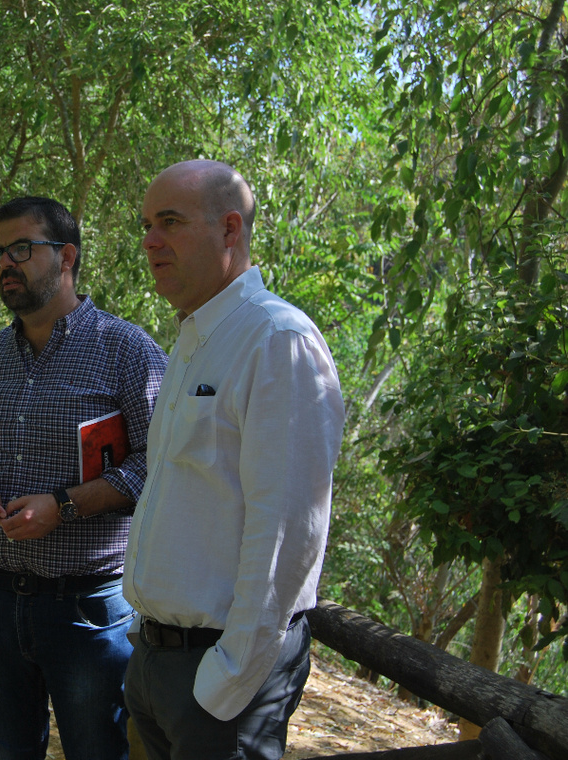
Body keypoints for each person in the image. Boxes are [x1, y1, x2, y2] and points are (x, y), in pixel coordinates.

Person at [0, 196, 168, 760]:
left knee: (99, 752)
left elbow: (159, 463)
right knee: (6, 751)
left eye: (21, 249)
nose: (6, 264)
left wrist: (64, 504)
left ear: (67, 257)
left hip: (88, 609)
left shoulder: (127, 351)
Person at [122, 160, 346, 760]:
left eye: (169, 221)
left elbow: (288, 531)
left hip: (217, 679)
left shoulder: (277, 341)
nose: (149, 240)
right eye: (146, 224)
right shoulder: (194, 340)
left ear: (230, 229)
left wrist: (227, 681)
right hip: (155, 661)